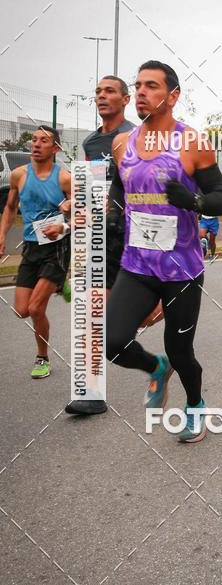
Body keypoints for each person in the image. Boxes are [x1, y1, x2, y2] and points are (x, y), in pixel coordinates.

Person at [105, 60, 222, 442]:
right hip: (137, 264)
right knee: (111, 341)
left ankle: (194, 403)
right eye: (138, 85)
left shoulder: (193, 142)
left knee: (181, 351)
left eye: (152, 86)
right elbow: (120, 191)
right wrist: (108, 215)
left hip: (181, 268)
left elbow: (220, 200)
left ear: (173, 96)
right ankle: (154, 368)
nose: (141, 92)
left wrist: (193, 200)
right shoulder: (122, 143)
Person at [65, 75, 136, 415]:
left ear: (125, 98)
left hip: (134, 236)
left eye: (109, 91)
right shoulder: (92, 143)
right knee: (93, 313)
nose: (102, 96)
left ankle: (160, 358)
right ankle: (91, 392)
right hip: (98, 237)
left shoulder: (136, 137)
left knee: (131, 315)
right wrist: (74, 204)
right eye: (98, 91)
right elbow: (90, 188)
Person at [0, 126, 71, 378]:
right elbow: (9, 209)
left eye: (44, 140)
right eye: (34, 139)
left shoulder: (64, 178)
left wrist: (64, 224)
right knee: (22, 310)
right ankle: (58, 284)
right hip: (31, 247)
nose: (36, 144)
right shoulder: (19, 175)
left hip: (57, 247)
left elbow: (84, 212)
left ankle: (42, 358)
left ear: (55, 148)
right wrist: (1, 236)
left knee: (36, 308)